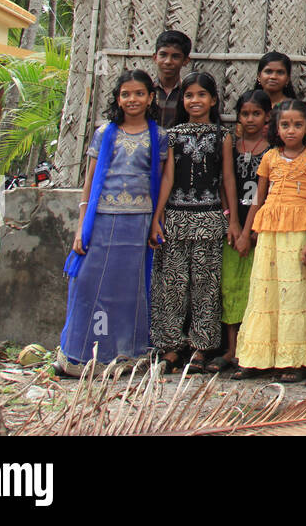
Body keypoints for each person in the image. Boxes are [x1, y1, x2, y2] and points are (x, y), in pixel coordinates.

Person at [57, 70, 166, 376]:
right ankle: (82, 356)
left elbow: (159, 179)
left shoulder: (159, 137)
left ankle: (122, 355)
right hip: (101, 220)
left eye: (139, 93)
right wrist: (82, 225)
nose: (133, 100)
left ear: (151, 97)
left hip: (138, 223)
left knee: (127, 290)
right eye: (126, 94)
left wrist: (156, 221)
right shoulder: (105, 133)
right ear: (118, 98)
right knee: (90, 285)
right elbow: (90, 180)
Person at [150, 72, 237, 373]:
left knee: (206, 285)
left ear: (213, 100)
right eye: (189, 95)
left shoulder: (222, 136)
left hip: (210, 218)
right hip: (175, 217)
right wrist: (158, 217)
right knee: (172, 284)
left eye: (202, 95)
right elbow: (168, 179)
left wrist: (233, 221)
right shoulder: (171, 137)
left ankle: (202, 347)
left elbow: (227, 179)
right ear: (182, 101)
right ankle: (171, 346)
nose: (195, 100)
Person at [233, 99, 306, 382]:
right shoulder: (269, 158)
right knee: (264, 291)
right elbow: (256, 199)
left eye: (298, 125)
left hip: (299, 232)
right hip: (269, 232)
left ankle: (295, 360)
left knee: (294, 293)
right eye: (285, 125)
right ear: (275, 127)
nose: (291, 130)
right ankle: (257, 357)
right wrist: (246, 233)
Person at [210, 89, 270, 373]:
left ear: (267, 117)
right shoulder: (232, 145)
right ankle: (231, 348)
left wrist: (250, 229)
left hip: (258, 227)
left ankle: (250, 348)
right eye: (245, 114)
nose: (250, 119)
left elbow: (264, 193)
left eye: (256, 113)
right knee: (231, 286)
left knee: (254, 289)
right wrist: (232, 222)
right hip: (233, 225)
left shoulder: (271, 149)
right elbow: (227, 182)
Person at [152, 30, 192, 129]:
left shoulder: (188, 94)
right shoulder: (146, 92)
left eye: (175, 56)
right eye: (163, 55)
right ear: (155, 57)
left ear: (185, 61)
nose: (168, 61)